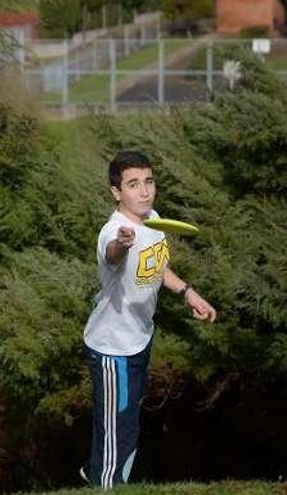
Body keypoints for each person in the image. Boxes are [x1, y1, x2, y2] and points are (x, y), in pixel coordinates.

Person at [80, 149, 217, 490]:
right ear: (116, 192)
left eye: (149, 181)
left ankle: (97, 472)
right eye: (133, 184)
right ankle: (106, 484)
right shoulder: (113, 232)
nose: (144, 191)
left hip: (139, 338)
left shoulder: (153, 220)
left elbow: (157, 266)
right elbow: (114, 254)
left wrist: (187, 292)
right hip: (112, 348)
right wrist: (123, 243)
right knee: (116, 423)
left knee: (128, 421)